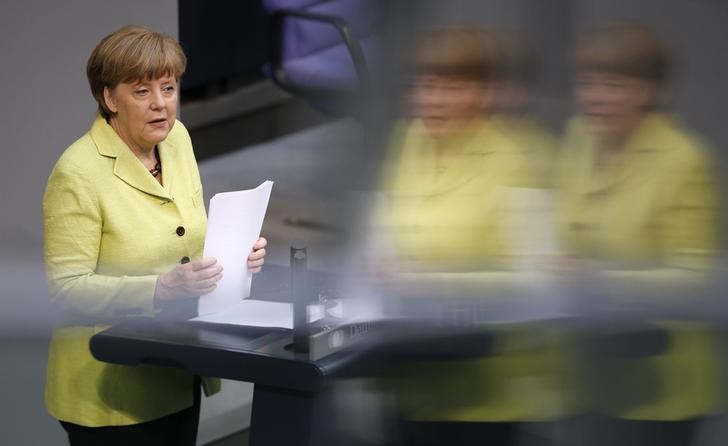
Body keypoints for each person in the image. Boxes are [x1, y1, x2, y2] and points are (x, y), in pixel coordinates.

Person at [43, 25, 267, 445]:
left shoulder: (176, 139)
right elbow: (66, 289)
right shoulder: (76, 173)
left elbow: (184, 235)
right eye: (141, 91)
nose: (161, 104)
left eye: (169, 87)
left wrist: (238, 252)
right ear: (109, 98)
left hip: (176, 368)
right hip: (110, 390)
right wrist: (159, 289)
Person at [369, 26, 573, 446]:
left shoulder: (518, 162)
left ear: (484, 92)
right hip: (410, 368)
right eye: (422, 87)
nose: (431, 101)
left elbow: (539, 278)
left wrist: (432, 281)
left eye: (450, 88)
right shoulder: (409, 138)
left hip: (488, 384)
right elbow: (389, 218)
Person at [555, 23, 721, 446]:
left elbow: (694, 274)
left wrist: (601, 278)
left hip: (659, 377)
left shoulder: (684, 159)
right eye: (588, 83)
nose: (595, 97)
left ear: (650, 92)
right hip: (588, 363)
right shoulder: (579, 137)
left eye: (614, 85)